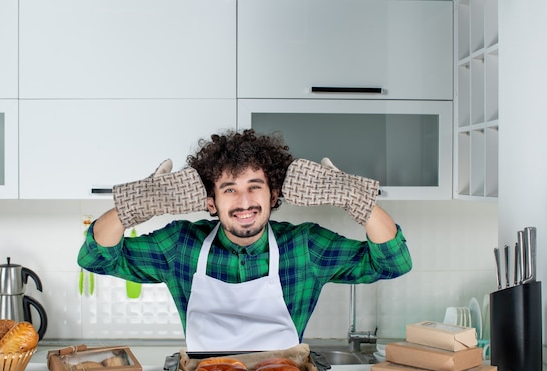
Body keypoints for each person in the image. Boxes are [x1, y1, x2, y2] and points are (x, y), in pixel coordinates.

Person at [78, 129, 412, 351]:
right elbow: (95, 257)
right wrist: (136, 205)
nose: (244, 201)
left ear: (274, 194)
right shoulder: (181, 245)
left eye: (255, 186)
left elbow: (393, 262)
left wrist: (353, 197)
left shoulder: (305, 246)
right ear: (211, 202)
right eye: (229, 189)